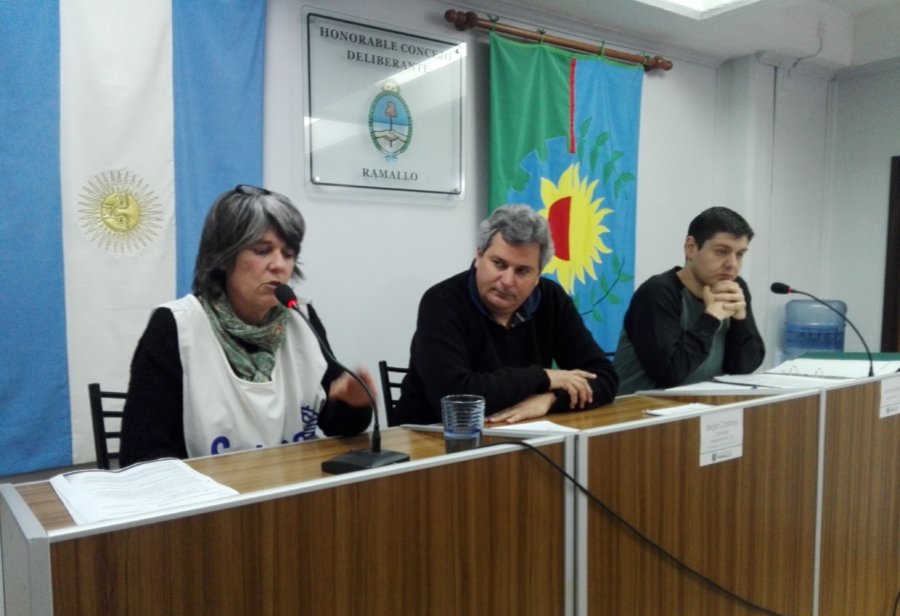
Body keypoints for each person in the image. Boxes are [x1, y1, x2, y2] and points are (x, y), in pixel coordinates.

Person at [120, 185, 373, 465]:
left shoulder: (302, 318)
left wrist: (352, 403)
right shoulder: (176, 326)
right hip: (209, 491)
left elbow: (338, 426)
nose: (279, 265)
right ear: (223, 257)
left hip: (291, 486)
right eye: (262, 250)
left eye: (288, 253)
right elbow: (143, 454)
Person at [392, 204, 618, 425]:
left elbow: (604, 376)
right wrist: (543, 377)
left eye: (522, 271)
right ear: (479, 256)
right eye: (499, 264)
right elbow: (454, 398)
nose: (507, 281)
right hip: (431, 435)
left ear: (538, 275)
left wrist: (551, 399)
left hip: (520, 434)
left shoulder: (551, 299)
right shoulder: (442, 301)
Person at [613, 206, 765, 394]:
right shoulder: (658, 292)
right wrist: (711, 318)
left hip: (702, 406)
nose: (732, 264)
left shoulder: (734, 288)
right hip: (639, 407)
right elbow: (669, 374)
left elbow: (743, 369)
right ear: (691, 248)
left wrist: (740, 321)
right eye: (721, 251)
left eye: (740, 254)